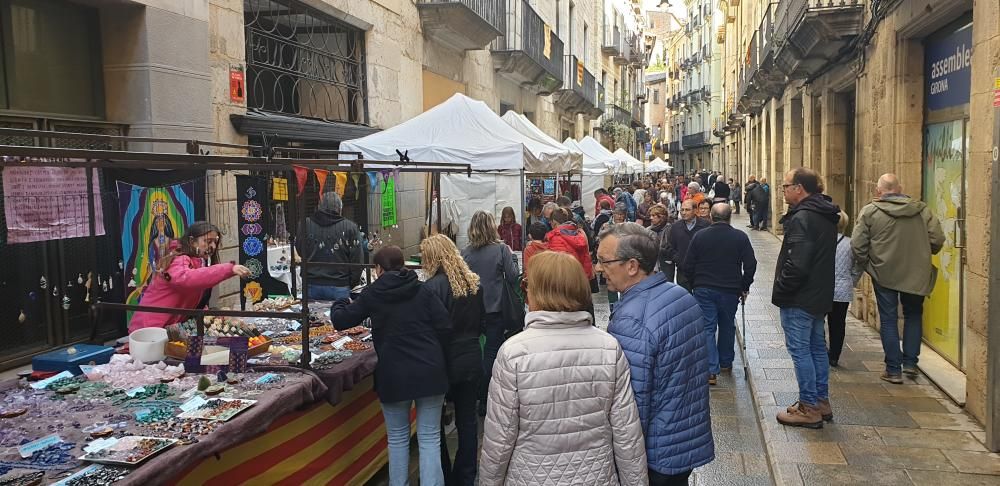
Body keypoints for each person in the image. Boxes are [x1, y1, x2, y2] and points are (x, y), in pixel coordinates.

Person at [478, 252, 648, 486]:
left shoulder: (513, 353)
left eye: (527, 285)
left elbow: (499, 438)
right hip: (596, 477)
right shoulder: (608, 348)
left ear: (537, 291)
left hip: (530, 477)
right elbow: (626, 433)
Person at [598, 223, 714, 485]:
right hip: (683, 437)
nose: (598, 269)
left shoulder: (632, 319)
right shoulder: (681, 296)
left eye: (605, 262)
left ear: (631, 266)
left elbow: (632, 403)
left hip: (654, 452)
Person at [331, 246, 450, 485]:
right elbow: (445, 324)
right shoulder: (422, 289)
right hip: (430, 371)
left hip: (393, 374)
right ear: (403, 265)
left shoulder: (373, 293)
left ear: (378, 269)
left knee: (397, 439)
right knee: (429, 438)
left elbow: (341, 320)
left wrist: (340, 301)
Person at [851, 173, 944, 383]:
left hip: (884, 273)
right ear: (900, 189)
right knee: (913, 315)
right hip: (916, 273)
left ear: (878, 191)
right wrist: (922, 255)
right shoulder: (922, 210)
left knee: (889, 318)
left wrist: (869, 264)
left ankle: (893, 369)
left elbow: (857, 246)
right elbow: (937, 239)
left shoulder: (870, 211)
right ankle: (910, 363)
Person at [772, 167, 840, 429]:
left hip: (800, 297)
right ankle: (820, 401)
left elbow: (797, 264)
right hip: (818, 294)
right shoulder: (824, 213)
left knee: (801, 351)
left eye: (786, 186)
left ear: (799, 188)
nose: (784, 190)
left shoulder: (803, 217)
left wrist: (782, 288)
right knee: (815, 348)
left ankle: (809, 407)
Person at [421, 235, 485, 486]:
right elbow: (482, 324)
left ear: (433, 258)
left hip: (443, 361)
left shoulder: (430, 288)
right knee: (467, 421)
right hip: (470, 357)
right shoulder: (474, 284)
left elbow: (430, 330)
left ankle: (443, 475)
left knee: (434, 424)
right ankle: (466, 476)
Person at [129, 222, 251, 333]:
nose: (213, 246)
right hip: (150, 328)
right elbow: (186, 279)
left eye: (215, 242)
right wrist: (228, 269)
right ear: (192, 241)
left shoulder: (198, 262)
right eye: (208, 241)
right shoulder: (179, 259)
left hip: (167, 328)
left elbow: (193, 295)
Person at [682, 204, 756, 385]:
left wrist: (694, 283)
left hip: (704, 288)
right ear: (729, 217)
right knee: (727, 324)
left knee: (707, 327)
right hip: (730, 289)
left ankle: (710, 370)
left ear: (712, 217)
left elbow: (688, 264)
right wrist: (744, 286)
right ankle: (725, 362)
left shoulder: (700, 236)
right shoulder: (740, 237)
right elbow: (751, 264)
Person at [461, 211, 520, 414]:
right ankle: (487, 397)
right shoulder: (501, 249)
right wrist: (512, 261)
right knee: (492, 352)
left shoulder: (465, 253)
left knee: (476, 350)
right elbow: (513, 278)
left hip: (472, 310)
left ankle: (475, 393)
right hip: (495, 309)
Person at [296, 191, 363, 301]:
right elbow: (357, 259)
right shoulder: (350, 227)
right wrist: (351, 282)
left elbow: (300, 249)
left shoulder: (305, 224)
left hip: (311, 282)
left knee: (311, 317)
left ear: (319, 207)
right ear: (340, 208)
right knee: (339, 317)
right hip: (340, 284)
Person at [828, 211, 862, 368]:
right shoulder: (851, 244)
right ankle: (834, 356)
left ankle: (821, 350)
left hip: (823, 288)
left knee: (817, 321)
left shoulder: (821, 241)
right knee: (838, 324)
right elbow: (859, 264)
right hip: (843, 290)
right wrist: (852, 279)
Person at [666, 199, 709, 291]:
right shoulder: (675, 227)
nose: (684, 213)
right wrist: (678, 259)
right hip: (683, 272)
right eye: (682, 210)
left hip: (701, 273)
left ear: (695, 211)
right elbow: (669, 247)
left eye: (687, 210)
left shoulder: (706, 226)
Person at [546, 208, 595, 282]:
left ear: (554, 221)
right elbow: (586, 257)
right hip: (581, 278)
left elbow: (557, 265)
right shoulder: (579, 234)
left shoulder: (556, 238)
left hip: (565, 280)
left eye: (550, 221)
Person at [648, 205, 675, 282]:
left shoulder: (671, 229)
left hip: (667, 264)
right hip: (652, 265)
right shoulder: (647, 231)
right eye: (650, 215)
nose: (651, 218)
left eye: (653, 216)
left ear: (661, 217)